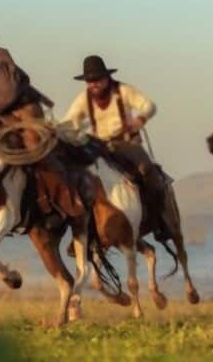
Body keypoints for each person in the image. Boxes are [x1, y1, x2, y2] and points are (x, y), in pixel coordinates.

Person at [62, 55, 171, 239]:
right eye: (89, 80)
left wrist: (140, 119)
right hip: (98, 147)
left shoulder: (123, 91)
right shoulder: (83, 99)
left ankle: (159, 221)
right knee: (78, 177)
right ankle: (86, 231)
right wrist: (53, 131)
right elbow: (68, 121)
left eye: (97, 79)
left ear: (107, 77)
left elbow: (149, 105)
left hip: (126, 143)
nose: (94, 84)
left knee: (147, 170)